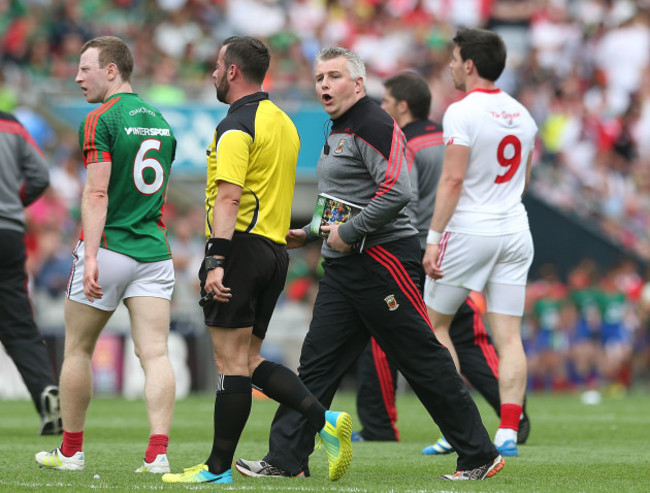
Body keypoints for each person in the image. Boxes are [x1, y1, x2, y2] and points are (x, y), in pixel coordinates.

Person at [236, 47, 504, 482]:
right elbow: (344, 197)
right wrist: (311, 231)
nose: (324, 84)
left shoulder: (373, 122)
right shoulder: (340, 125)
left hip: (381, 260)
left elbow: (399, 189)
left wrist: (351, 231)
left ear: (358, 84)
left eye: (334, 76)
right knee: (316, 365)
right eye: (319, 76)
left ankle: (478, 454)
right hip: (344, 265)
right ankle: (286, 459)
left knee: (422, 360)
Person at [161, 36, 352, 486]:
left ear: (231, 71)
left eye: (215, 64)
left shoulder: (235, 125)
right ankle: (324, 421)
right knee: (247, 360)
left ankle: (216, 469)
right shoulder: (283, 121)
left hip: (240, 249)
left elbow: (228, 198)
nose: (211, 72)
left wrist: (215, 261)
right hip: (273, 252)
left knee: (229, 363)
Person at [353, 72, 530, 453]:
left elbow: (402, 199)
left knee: (387, 333)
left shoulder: (404, 144)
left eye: (386, 103)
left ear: (402, 106)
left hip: (421, 248)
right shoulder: (447, 136)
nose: (382, 108)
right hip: (469, 240)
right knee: (471, 334)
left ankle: (382, 424)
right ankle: (513, 416)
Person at [35, 36, 177, 473]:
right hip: (154, 252)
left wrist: (91, 256)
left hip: (110, 247)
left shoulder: (101, 119)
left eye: (86, 68)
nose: (78, 77)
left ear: (112, 70)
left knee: (77, 349)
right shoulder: (160, 121)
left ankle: (71, 451)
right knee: (155, 354)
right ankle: (158, 454)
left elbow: (97, 192)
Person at [422, 28, 537, 458]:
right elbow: (523, 181)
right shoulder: (523, 114)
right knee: (509, 336)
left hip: (470, 229)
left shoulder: (461, 111)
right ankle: (508, 430)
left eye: (454, 58)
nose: (450, 65)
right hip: (514, 227)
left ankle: (458, 428)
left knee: (436, 326)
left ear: (469, 64)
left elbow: (452, 179)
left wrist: (433, 239)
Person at [0, 110, 62, 436]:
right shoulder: (12, 125)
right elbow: (40, 176)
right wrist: (12, 202)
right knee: (21, 329)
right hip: (9, 234)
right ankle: (46, 393)